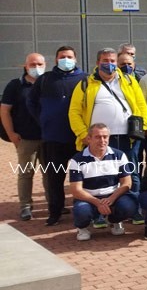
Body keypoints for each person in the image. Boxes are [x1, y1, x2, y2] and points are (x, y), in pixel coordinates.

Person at [68, 48, 147, 224]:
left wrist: (143, 126)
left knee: (132, 175)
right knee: (97, 176)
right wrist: (83, 134)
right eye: (105, 60)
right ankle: (97, 214)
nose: (110, 64)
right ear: (97, 63)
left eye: (112, 60)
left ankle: (132, 210)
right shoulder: (85, 84)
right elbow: (74, 111)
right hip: (99, 139)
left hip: (128, 137)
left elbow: (141, 104)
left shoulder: (128, 80)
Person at [29, 46, 87, 225]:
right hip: (54, 138)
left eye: (69, 57)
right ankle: (55, 212)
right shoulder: (45, 79)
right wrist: (44, 120)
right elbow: (31, 102)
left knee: (85, 177)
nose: (66, 59)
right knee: (54, 177)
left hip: (79, 137)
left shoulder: (84, 79)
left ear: (75, 59)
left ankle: (85, 210)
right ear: (56, 60)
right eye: (62, 57)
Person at [67, 123, 137, 241]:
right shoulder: (77, 160)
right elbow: (76, 190)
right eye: (98, 137)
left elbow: (127, 183)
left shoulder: (119, 155)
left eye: (105, 137)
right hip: (89, 198)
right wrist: (97, 202)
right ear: (89, 138)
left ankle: (114, 220)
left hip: (113, 196)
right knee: (81, 211)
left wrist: (111, 199)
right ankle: (82, 227)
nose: (102, 140)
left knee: (129, 206)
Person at [2, 53, 47, 220]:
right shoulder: (15, 85)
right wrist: (11, 134)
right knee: (25, 173)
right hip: (25, 138)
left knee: (50, 173)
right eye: (33, 64)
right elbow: (5, 110)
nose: (36, 67)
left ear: (45, 64)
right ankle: (25, 206)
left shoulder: (48, 83)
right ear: (25, 66)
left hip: (48, 137)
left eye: (40, 64)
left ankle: (53, 203)